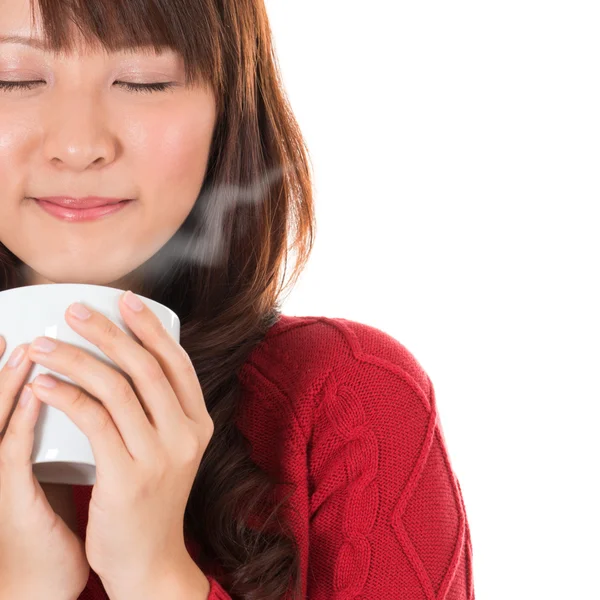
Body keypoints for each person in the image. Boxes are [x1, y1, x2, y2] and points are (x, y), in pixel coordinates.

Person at [0, 0, 475, 598]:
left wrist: (154, 575)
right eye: (13, 77)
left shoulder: (349, 396)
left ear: (229, 110)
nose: (77, 146)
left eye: (142, 81)